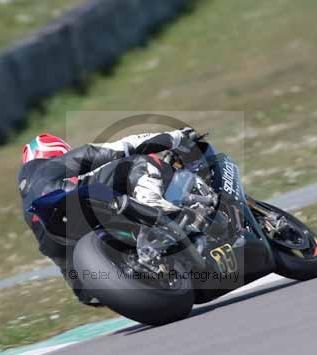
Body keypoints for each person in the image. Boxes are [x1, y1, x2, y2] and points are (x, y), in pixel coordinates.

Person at [17, 128, 197, 305]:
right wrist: (175, 137)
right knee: (134, 162)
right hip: (81, 204)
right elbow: (116, 148)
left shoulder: (32, 213)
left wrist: (92, 290)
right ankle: (154, 205)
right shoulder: (51, 166)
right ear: (57, 153)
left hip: (80, 254)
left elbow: (65, 264)